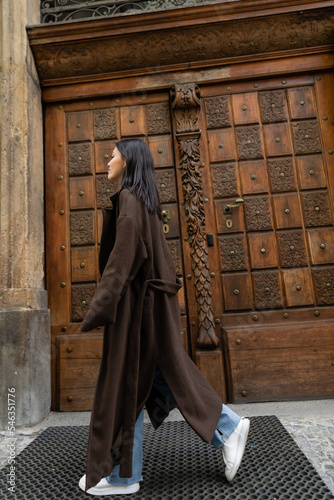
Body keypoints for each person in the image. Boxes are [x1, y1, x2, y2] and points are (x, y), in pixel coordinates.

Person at [78, 138, 250, 496]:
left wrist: (98, 308)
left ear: (128, 160)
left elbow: (122, 261)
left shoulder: (129, 199)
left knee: (132, 384)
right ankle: (226, 427)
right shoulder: (145, 201)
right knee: (153, 380)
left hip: (139, 314)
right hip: (151, 310)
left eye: (112, 155)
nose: (107, 160)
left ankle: (128, 476)